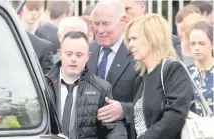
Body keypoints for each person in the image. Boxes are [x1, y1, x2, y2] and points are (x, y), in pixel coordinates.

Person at [45, 31, 127, 139]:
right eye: (69, 54)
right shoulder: (43, 85)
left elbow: (113, 127)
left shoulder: (101, 88)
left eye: (79, 55)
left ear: (88, 56)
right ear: (59, 53)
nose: (73, 59)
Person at [124, 13, 193, 139]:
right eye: (129, 40)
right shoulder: (141, 78)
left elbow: (176, 115)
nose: (130, 45)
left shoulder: (172, 69)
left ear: (152, 38)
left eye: (134, 39)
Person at [87, 0, 138, 128]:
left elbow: (151, 103)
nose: (99, 30)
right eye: (96, 23)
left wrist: (124, 110)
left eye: (105, 24)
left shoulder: (137, 54)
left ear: (123, 20)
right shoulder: (87, 51)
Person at [187, 20, 213, 116]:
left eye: (202, 43)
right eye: (192, 44)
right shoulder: (184, 73)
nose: (196, 48)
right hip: (192, 129)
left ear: (212, 44)